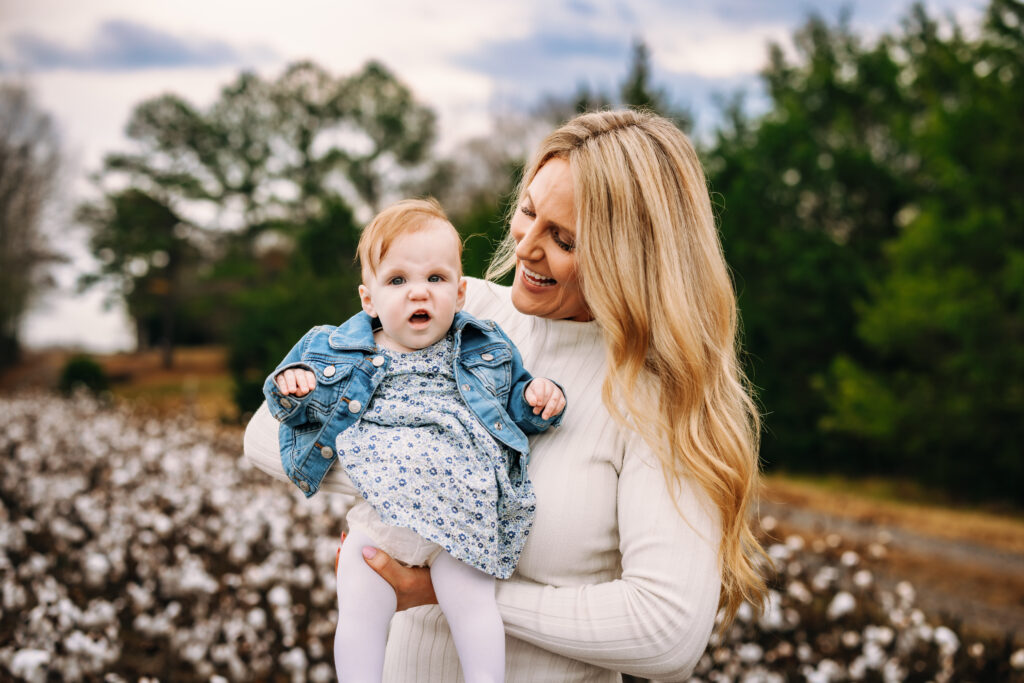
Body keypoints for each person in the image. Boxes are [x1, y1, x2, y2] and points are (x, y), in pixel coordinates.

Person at [245, 109, 767, 682]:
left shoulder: (662, 400)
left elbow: (663, 633)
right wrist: (432, 484)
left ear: (629, 260)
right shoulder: (462, 314)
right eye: (527, 212)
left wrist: (451, 591)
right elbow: (267, 431)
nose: (525, 248)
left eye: (563, 239)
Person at [262, 198, 566, 682]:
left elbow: (513, 404)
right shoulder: (339, 349)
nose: (418, 293)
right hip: (381, 518)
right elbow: (292, 404)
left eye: (436, 279)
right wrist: (293, 385)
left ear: (461, 292)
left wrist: (537, 397)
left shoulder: (481, 346)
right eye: (398, 281)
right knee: (358, 609)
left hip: (461, 519)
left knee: (474, 611)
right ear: (369, 299)